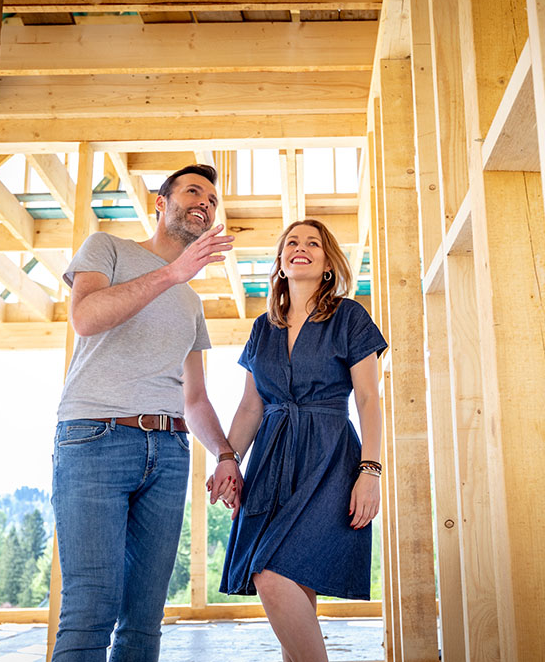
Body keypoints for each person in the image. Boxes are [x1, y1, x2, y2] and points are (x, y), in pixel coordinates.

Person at [52, 164, 243, 662]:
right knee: (89, 610)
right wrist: (173, 273)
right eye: (193, 191)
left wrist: (225, 454)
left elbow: (195, 397)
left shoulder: (191, 302)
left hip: (170, 452)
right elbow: (85, 318)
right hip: (95, 438)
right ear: (162, 202)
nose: (205, 202)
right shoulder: (107, 249)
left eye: (213, 200)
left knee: (143, 620)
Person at [213, 219, 387, 662]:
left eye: (313, 243)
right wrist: (228, 459)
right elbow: (251, 407)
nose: (301, 248)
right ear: (280, 262)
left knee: (270, 574)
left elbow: (368, 398)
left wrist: (370, 471)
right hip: (270, 461)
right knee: (292, 581)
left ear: (328, 263)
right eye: (292, 242)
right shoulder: (262, 328)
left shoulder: (349, 316)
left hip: (329, 459)